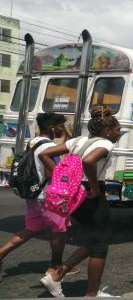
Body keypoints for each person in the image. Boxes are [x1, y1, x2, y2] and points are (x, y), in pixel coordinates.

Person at [38, 106, 122, 298]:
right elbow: (90, 161)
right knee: (100, 246)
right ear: (108, 131)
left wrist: (60, 176)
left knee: (94, 240)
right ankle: (91, 295)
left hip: (73, 195)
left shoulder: (79, 140)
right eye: (118, 131)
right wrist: (93, 186)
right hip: (91, 196)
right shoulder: (106, 144)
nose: (119, 134)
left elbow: (45, 154)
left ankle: (57, 274)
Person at [0, 113, 77, 282]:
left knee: (30, 229)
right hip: (48, 196)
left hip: (34, 194)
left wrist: (63, 136)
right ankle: (55, 267)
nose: (61, 129)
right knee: (59, 232)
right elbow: (53, 172)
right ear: (51, 127)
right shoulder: (49, 146)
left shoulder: (34, 142)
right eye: (60, 126)